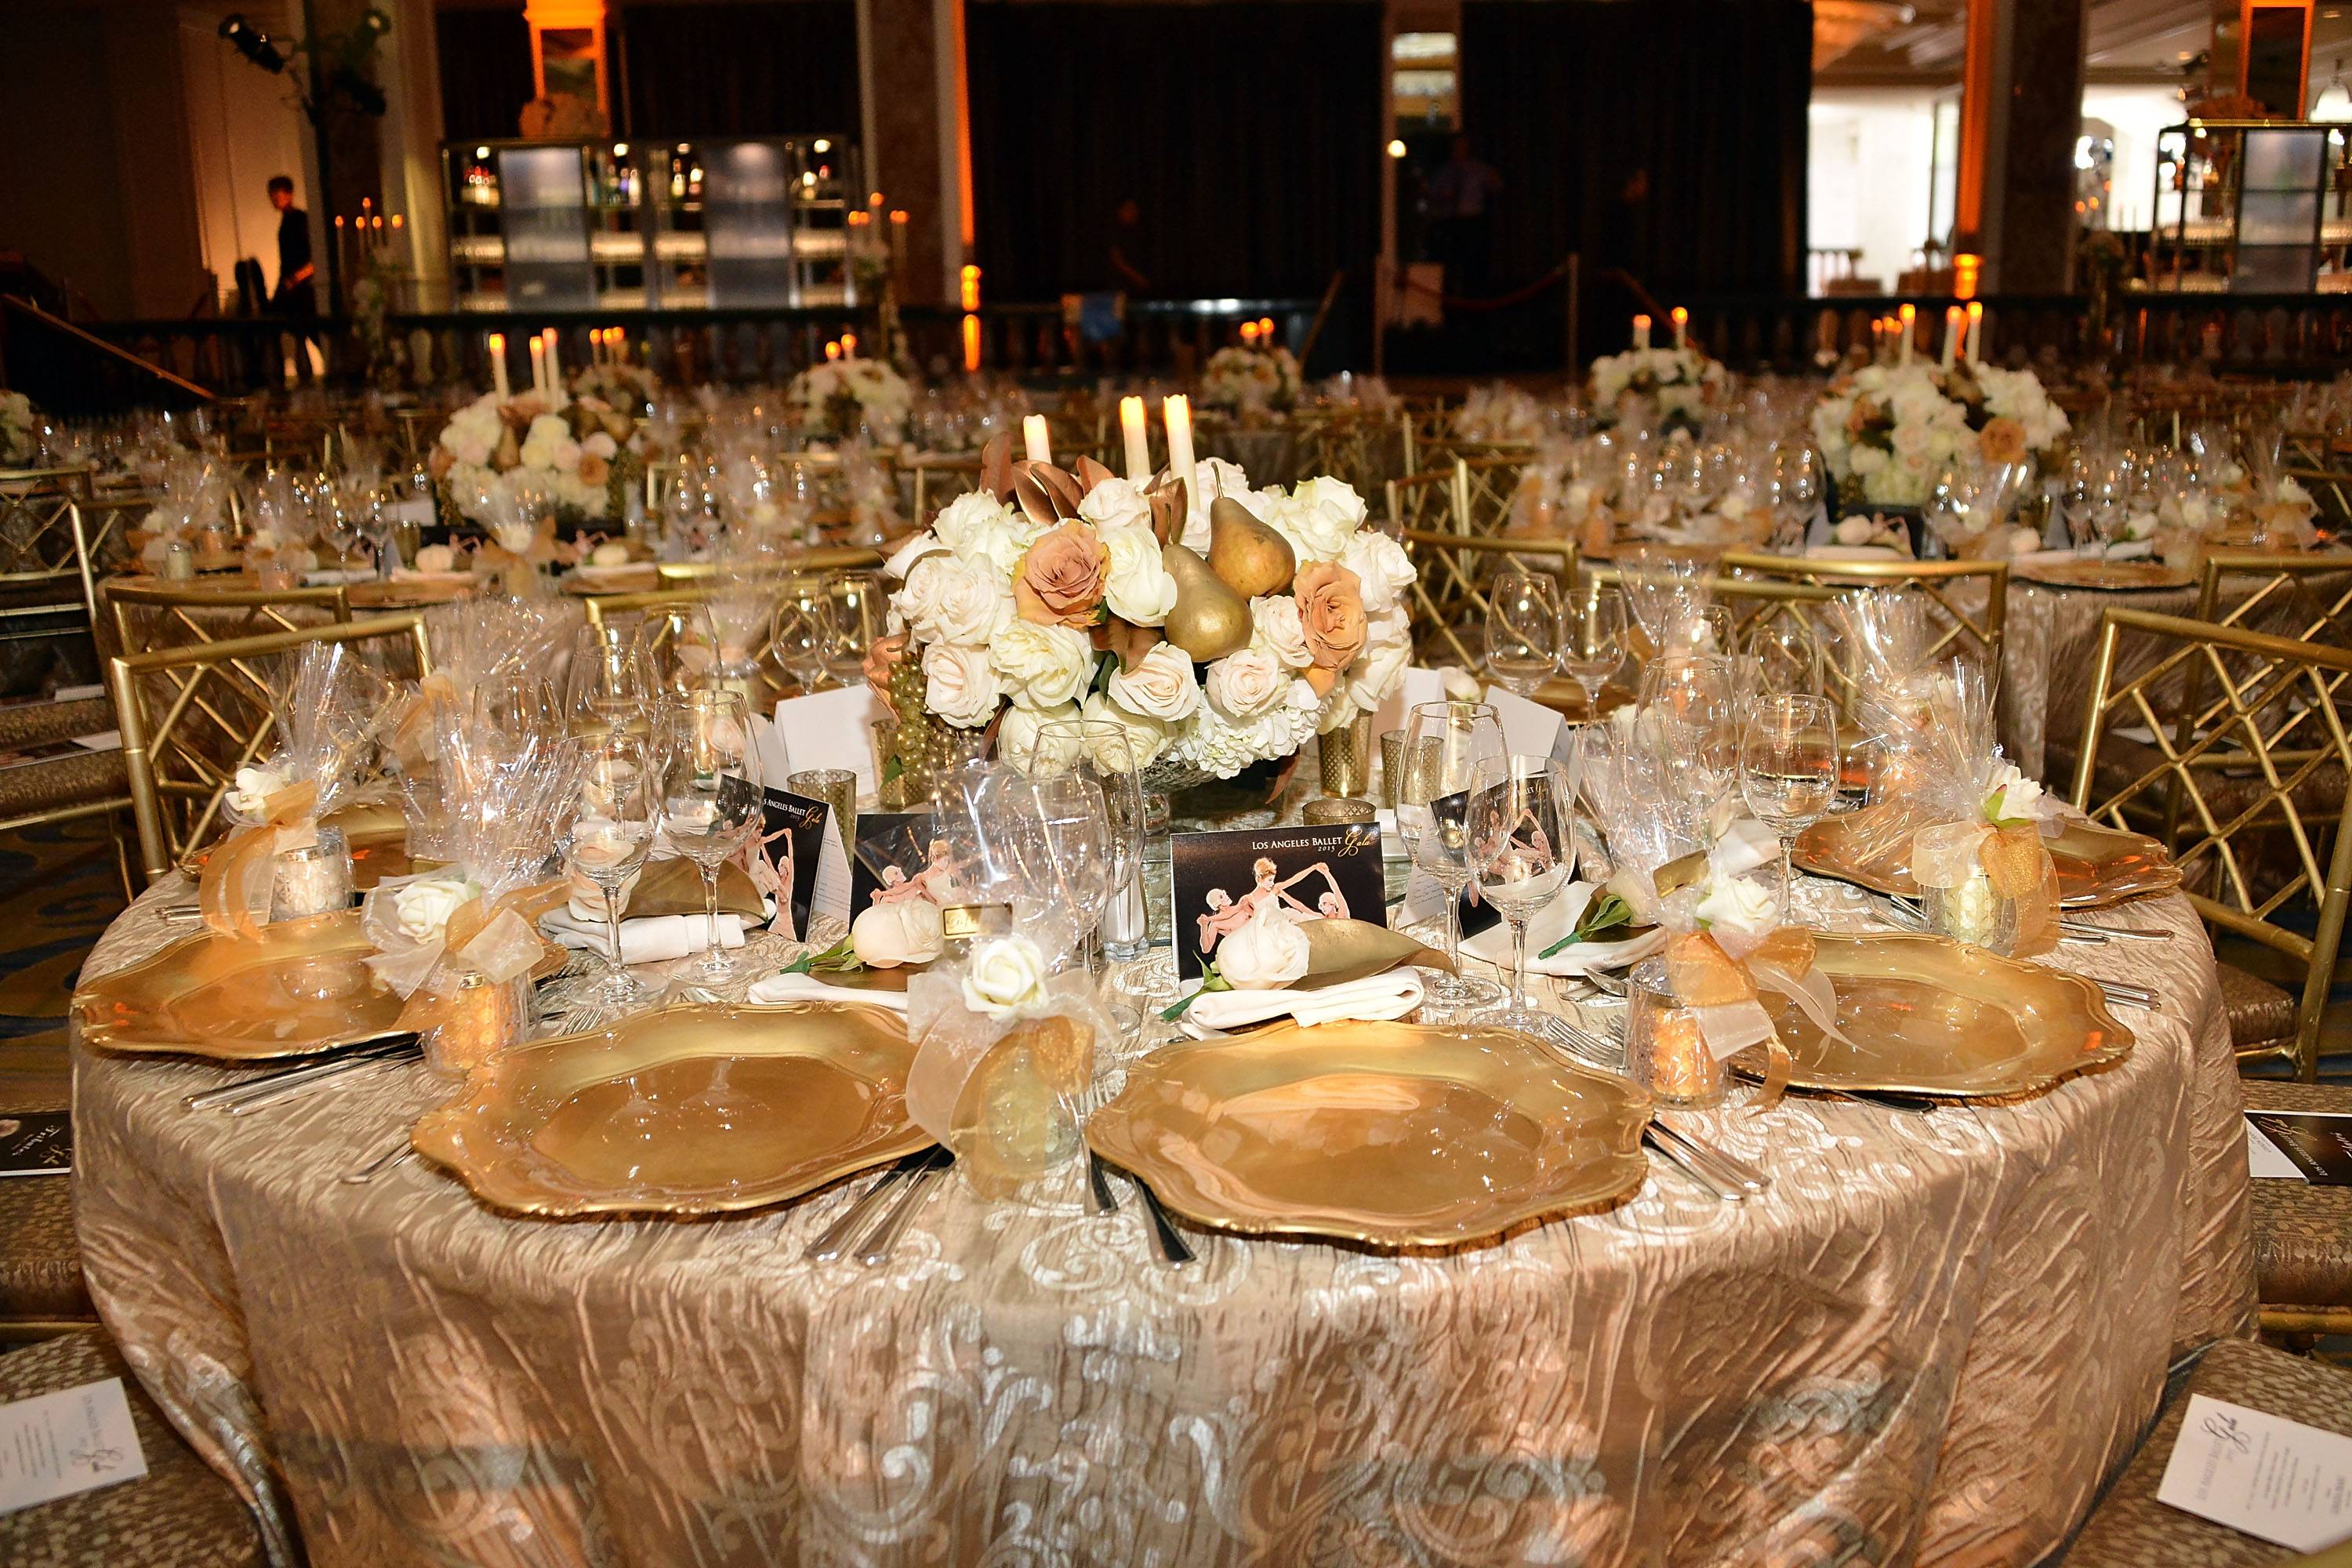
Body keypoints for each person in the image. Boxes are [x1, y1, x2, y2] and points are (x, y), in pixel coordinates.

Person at [1426, 136, 1502, 295]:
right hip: (1450, 222)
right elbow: (1431, 194)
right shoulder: (1444, 172)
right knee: (1450, 262)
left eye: (1462, 146)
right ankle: (1450, 296)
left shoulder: (1479, 169)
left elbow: (1497, 186)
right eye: (1456, 147)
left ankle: (1472, 296)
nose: (1459, 150)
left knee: (1472, 264)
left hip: (1472, 222)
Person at [267, 175, 318, 381]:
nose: (273, 199)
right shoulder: (289, 221)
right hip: (292, 285)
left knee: (309, 328)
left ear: (288, 195)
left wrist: (296, 278)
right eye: (272, 195)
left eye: (276, 194)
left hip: (301, 287)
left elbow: (313, 257)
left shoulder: (299, 220)